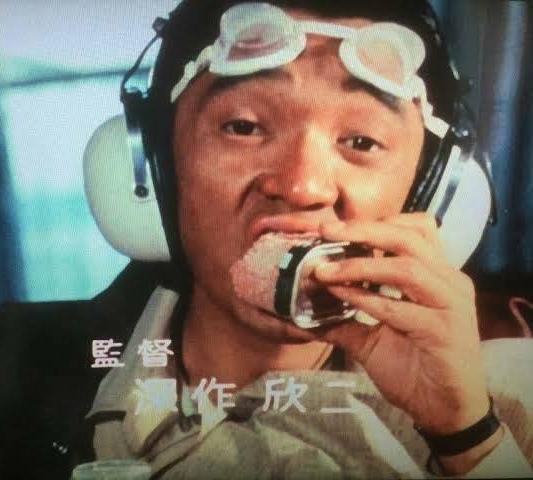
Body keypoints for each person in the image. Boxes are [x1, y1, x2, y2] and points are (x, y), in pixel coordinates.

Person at [82, 0, 533, 478]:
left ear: (432, 190)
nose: (303, 187)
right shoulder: (29, 370)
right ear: (157, 164)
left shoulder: (512, 388)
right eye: (243, 127)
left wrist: (468, 438)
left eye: (361, 142)